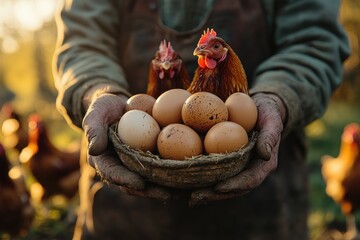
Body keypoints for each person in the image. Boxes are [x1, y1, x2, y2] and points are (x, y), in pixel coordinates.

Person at [53, 0, 350, 239]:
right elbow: (82, 41)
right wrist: (98, 93)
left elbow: (315, 42)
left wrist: (277, 98)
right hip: (123, 208)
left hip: (259, 210)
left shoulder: (230, 110)